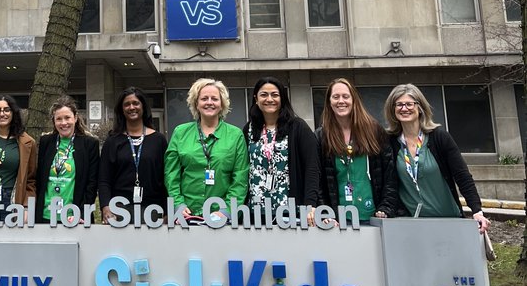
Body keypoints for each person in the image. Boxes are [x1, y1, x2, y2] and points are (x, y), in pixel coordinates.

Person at [384, 82, 489, 233]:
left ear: (419, 107)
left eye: (409, 104)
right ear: (392, 109)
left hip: (448, 221)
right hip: (410, 224)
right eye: (399, 104)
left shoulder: (439, 137)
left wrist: (477, 210)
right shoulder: (390, 142)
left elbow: (462, 176)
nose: (404, 108)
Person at [165, 78, 248, 219]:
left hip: (222, 217)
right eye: (204, 98)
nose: (209, 102)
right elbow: (171, 174)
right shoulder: (180, 133)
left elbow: (240, 177)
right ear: (196, 103)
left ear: (222, 104)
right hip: (187, 215)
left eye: (214, 98)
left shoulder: (236, 135)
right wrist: (178, 204)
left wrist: (227, 210)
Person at [317, 78, 397, 220]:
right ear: (329, 102)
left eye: (345, 96)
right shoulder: (321, 136)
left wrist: (386, 206)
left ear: (354, 100)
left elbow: (390, 174)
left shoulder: (374, 130)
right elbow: (319, 182)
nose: (341, 101)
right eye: (335, 97)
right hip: (338, 220)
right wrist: (325, 213)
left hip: (374, 215)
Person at [243, 77, 321, 214]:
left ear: (282, 98)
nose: (269, 99)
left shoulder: (298, 127)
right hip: (256, 211)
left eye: (275, 95)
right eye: (263, 95)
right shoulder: (248, 129)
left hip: (291, 210)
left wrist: (311, 204)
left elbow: (312, 167)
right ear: (256, 99)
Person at [98, 87, 168, 222]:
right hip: (119, 209)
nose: (131, 107)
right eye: (127, 104)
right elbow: (104, 179)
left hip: (153, 208)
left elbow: (165, 177)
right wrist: (105, 207)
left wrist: (167, 210)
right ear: (121, 109)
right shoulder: (112, 141)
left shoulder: (158, 140)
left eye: (136, 103)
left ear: (143, 106)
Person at [35, 96, 99, 223]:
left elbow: (92, 184)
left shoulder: (89, 144)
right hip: (46, 215)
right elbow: (40, 180)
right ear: (53, 121)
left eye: (67, 118)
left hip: (74, 216)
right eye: (58, 119)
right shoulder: (46, 142)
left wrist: (81, 213)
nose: (63, 123)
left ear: (75, 118)